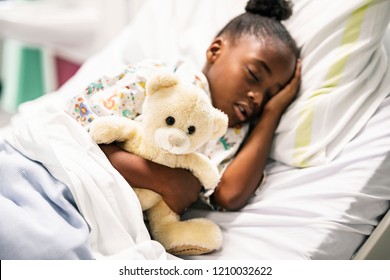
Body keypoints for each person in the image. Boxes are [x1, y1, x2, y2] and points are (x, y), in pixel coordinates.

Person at [69, 0, 301, 213]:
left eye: (271, 94)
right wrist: (163, 179)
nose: (258, 97)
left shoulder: (229, 133)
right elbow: (79, 129)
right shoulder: (160, 81)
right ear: (215, 51)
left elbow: (229, 195)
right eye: (254, 74)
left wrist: (273, 112)